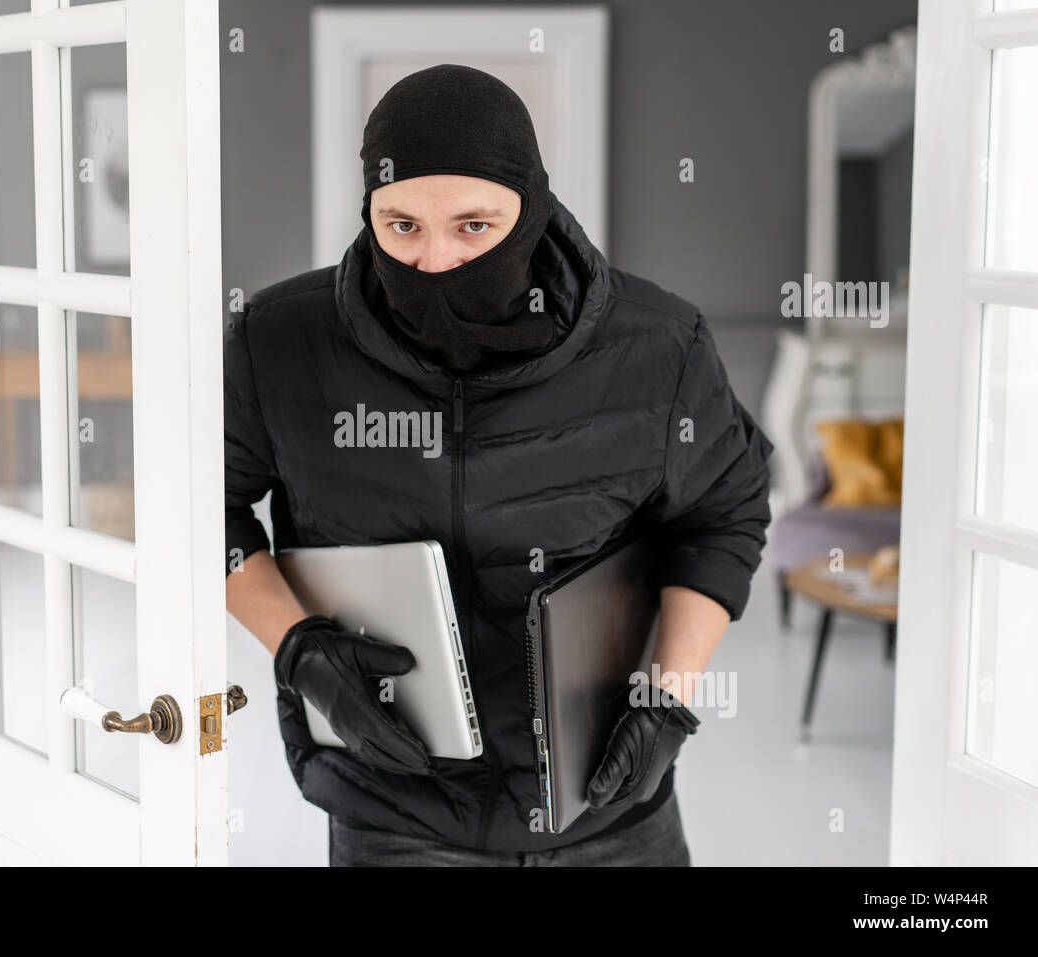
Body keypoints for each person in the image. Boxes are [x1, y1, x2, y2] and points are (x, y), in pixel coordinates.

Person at [224, 64, 774, 866]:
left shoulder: (660, 346)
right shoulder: (279, 343)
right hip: (393, 814)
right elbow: (204, 509)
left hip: (612, 812)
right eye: (400, 225)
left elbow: (725, 508)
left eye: (473, 226)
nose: (436, 260)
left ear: (532, 208)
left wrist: (668, 696)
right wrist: (297, 646)